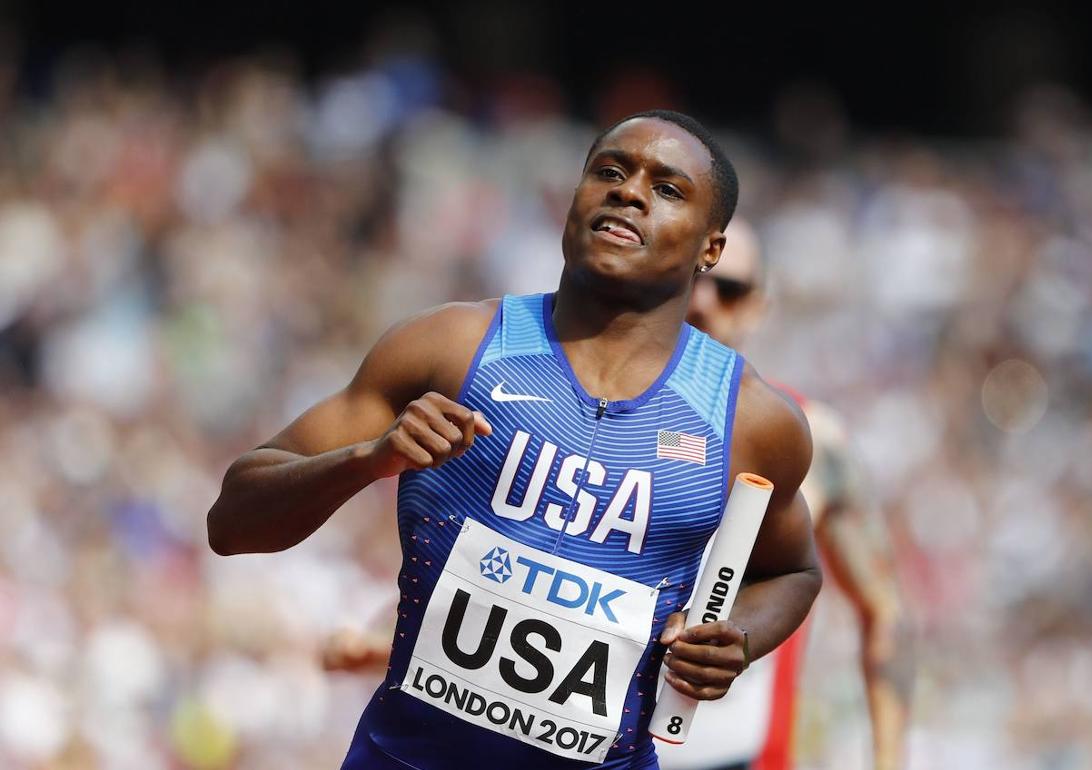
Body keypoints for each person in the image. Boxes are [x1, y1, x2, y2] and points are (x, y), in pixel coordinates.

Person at [206, 109, 821, 770]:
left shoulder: (751, 421)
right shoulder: (453, 348)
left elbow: (792, 571)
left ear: (711, 248)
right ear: (575, 197)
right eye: (609, 172)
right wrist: (368, 458)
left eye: (667, 189)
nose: (630, 192)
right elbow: (232, 522)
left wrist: (739, 640)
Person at [654, 219, 915, 770]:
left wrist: (889, 759)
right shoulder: (595, 410)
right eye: (690, 277)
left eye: (730, 288)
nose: (703, 302)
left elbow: (885, 609)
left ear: (759, 306)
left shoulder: (813, 440)